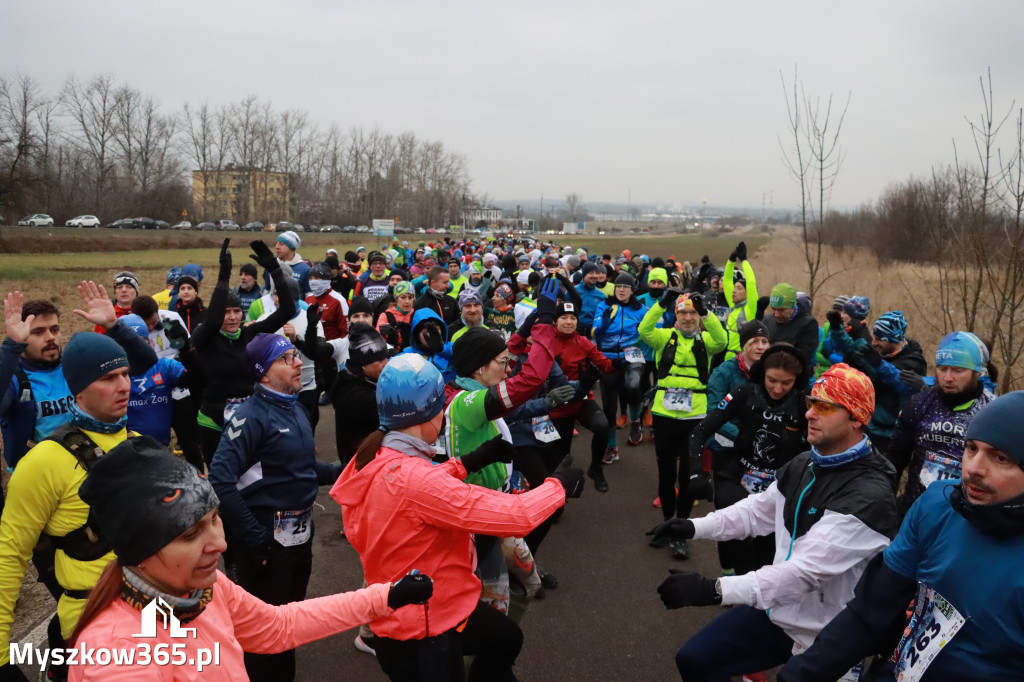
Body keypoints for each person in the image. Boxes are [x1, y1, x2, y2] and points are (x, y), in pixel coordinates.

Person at [60, 438, 431, 682]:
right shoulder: (114, 658)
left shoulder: (201, 589)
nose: (219, 543)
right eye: (190, 535)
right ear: (138, 552)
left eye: (215, 519)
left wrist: (383, 597)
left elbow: (278, 626)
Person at [330, 353, 584, 682]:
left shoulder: (373, 456)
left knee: (507, 639)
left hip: (425, 605)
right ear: (430, 415)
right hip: (423, 632)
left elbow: (415, 485)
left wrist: (466, 462)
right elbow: (515, 516)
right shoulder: (418, 481)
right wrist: (559, 486)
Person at [651, 363, 899, 681]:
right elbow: (759, 511)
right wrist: (694, 526)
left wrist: (712, 589)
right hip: (779, 612)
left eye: (824, 407)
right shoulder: (807, 461)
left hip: (828, 634)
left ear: (856, 418)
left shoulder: (870, 497)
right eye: (811, 403)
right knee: (694, 660)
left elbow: (802, 572)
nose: (809, 414)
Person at [778, 392, 1024, 681]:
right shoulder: (938, 505)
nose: (973, 469)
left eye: (1001, 458)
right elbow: (871, 611)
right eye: (971, 449)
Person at [0, 314, 157, 682]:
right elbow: (9, 556)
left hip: (152, 617)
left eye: (124, 375)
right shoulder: (43, 462)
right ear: (78, 390)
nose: (124, 386)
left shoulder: (137, 444)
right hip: (94, 626)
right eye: (107, 378)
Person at [207, 334, 341, 681]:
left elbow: (303, 470)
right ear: (263, 373)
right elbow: (220, 480)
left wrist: (347, 469)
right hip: (266, 546)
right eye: (286, 359)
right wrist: (254, 535)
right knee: (265, 635)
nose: (298, 362)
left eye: (296, 355)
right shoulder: (250, 416)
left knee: (289, 623)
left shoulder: (295, 408)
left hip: (299, 540)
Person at [689, 343, 810, 577]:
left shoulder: (804, 403)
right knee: (736, 530)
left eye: (786, 383)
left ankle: (751, 590)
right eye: (772, 380)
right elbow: (699, 431)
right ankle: (737, 581)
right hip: (738, 475)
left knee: (767, 555)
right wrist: (696, 472)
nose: (777, 388)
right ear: (762, 373)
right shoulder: (744, 392)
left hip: (779, 486)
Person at [639, 289, 727, 558]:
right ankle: (668, 521)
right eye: (683, 312)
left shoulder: (707, 340)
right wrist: (662, 303)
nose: (688, 317)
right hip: (665, 416)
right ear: (675, 315)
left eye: (692, 312)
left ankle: (681, 528)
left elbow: (722, 340)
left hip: (695, 418)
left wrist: (706, 312)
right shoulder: (663, 337)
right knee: (665, 474)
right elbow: (644, 330)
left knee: (688, 475)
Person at [191, 240, 295, 468]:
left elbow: (288, 310)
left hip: (247, 418)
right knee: (220, 477)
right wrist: (224, 276)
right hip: (212, 421)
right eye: (226, 312)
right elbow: (211, 321)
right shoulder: (205, 337)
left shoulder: (249, 334)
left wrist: (275, 271)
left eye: (237, 311)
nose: (232, 317)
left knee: (250, 476)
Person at [886, 330, 994, 516]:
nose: (948, 378)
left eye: (958, 370)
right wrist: (884, 506)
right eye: (942, 368)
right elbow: (894, 461)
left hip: (963, 518)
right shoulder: (920, 403)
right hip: (915, 513)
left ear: (977, 372)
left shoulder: (992, 411)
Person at [510, 301, 615, 492]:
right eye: (564, 317)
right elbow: (514, 354)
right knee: (560, 455)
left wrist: (617, 365)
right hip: (554, 407)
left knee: (602, 426)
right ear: (554, 322)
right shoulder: (543, 345)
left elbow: (605, 364)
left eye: (573, 318)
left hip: (578, 398)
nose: (569, 322)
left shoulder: (583, 342)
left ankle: (596, 468)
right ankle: (555, 494)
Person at [826, 308, 927, 454]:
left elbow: (901, 382)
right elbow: (851, 347)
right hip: (868, 426)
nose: (873, 343)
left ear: (894, 339)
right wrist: (836, 328)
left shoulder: (914, 361)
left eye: (879, 339)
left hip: (893, 435)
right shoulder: (876, 353)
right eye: (874, 337)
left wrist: (879, 365)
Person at [592, 272, 648, 456]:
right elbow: (595, 333)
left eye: (626, 287)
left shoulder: (641, 309)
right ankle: (612, 445)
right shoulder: (604, 305)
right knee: (609, 406)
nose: (621, 290)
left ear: (633, 291)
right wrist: (603, 326)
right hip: (608, 356)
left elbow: (653, 332)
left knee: (632, 386)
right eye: (618, 286)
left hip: (632, 355)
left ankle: (634, 421)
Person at [762, 283, 819, 371]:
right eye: (773, 309)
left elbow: (803, 357)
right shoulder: (768, 320)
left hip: (793, 376)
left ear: (792, 306)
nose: (776, 314)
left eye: (781, 310)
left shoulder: (808, 324)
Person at [722, 242, 759, 361]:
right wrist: (731, 260)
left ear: (747, 292)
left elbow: (751, 282)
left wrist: (744, 260)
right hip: (728, 357)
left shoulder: (750, 309)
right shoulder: (734, 306)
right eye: (734, 288)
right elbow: (727, 280)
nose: (733, 291)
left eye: (739, 288)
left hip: (743, 359)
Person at [267, 231, 310, 297]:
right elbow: (266, 292)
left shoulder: (305, 269)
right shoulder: (271, 266)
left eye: (281, 244)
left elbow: (309, 296)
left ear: (291, 247)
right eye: (276, 243)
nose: (276, 247)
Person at [377, 280, 415, 349]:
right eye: (403, 297)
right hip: (392, 354)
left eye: (410, 298)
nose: (407, 301)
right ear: (396, 299)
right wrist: (382, 332)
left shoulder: (417, 315)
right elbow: (376, 337)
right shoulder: (386, 315)